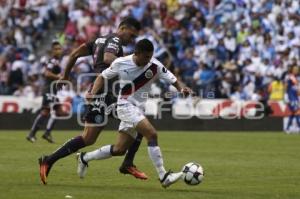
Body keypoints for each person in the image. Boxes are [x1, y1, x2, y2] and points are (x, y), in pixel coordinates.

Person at [38, 17, 147, 185]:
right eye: (131, 36)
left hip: (98, 93)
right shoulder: (115, 40)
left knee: (88, 138)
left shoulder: (98, 40)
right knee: (139, 122)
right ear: (123, 28)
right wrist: (130, 64)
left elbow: (74, 54)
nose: (131, 40)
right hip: (105, 93)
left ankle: (48, 160)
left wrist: (65, 75)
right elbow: (109, 58)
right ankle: (127, 163)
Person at [77, 39, 193, 188]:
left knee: (119, 149)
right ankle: (164, 176)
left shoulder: (155, 65)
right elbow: (102, 76)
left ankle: (85, 157)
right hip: (125, 105)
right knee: (151, 134)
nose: (148, 60)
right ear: (136, 53)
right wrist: (92, 93)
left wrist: (181, 89)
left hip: (138, 109)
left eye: (150, 57)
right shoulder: (121, 63)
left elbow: (173, 79)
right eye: (145, 57)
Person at [26, 41, 66, 143]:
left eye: (60, 49)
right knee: (45, 111)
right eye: (56, 49)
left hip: (53, 90)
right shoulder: (52, 61)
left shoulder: (57, 61)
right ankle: (31, 134)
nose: (59, 51)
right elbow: (47, 73)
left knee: (60, 111)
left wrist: (59, 83)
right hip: (48, 89)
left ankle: (47, 133)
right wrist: (59, 77)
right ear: (52, 51)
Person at [285, 65, 300, 133]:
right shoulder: (290, 77)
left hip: (296, 97)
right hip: (291, 97)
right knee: (297, 111)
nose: (296, 70)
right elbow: (286, 87)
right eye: (295, 69)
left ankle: (287, 128)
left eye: (297, 69)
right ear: (292, 70)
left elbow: (297, 88)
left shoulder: (297, 78)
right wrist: (286, 96)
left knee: (293, 112)